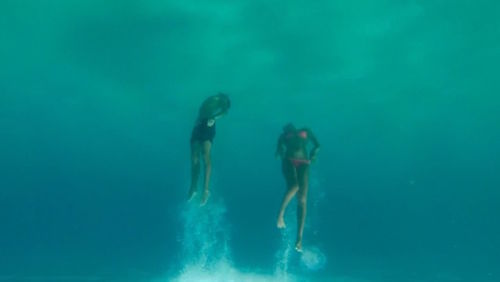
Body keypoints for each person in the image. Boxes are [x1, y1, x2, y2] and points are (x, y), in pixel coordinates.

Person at [275, 123, 320, 252]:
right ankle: (280, 214)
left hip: (304, 163)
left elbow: (317, 145)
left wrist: (314, 154)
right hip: (289, 160)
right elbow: (279, 150)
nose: (286, 128)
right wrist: (279, 152)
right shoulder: (283, 136)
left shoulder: (306, 130)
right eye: (285, 128)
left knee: (302, 200)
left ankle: (299, 239)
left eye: (288, 126)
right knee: (294, 186)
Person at [188, 93, 230, 206]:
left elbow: (226, 110)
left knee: (205, 155)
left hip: (208, 124)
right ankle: (194, 186)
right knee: (194, 157)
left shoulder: (222, 100)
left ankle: (206, 190)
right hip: (198, 125)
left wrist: (214, 118)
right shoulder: (214, 98)